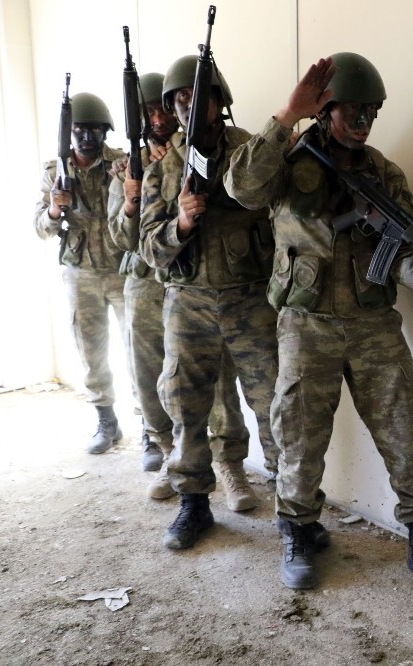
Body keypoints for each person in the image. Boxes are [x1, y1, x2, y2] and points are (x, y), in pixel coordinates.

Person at [226, 53, 413, 598]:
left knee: (405, 431)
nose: (363, 122)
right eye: (352, 111)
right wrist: (286, 116)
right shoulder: (287, 159)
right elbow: (240, 187)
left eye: (371, 112)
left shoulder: (384, 174)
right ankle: (298, 535)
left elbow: (404, 257)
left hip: (372, 326)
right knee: (298, 436)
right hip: (305, 324)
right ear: (326, 108)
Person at [139, 56, 281, 549]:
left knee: (274, 403)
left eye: (199, 96)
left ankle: (294, 511)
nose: (188, 106)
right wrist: (179, 224)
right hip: (189, 301)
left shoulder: (250, 152)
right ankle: (194, 504)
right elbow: (148, 248)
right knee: (185, 404)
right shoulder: (163, 168)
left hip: (250, 298)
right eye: (179, 99)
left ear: (220, 102)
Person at [108, 71, 258, 511]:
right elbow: (125, 238)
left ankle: (228, 462)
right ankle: (170, 454)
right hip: (151, 282)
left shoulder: (218, 151)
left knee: (221, 379)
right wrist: (132, 199)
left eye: (165, 108)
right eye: (151, 111)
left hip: (207, 283)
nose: (160, 118)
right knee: (160, 378)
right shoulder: (134, 165)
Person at [35, 91, 129, 454]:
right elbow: (39, 228)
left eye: (94, 130)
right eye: (79, 130)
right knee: (91, 351)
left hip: (123, 268)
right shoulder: (54, 172)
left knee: (140, 351)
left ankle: (152, 428)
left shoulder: (121, 163)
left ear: (105, 131)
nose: (87, 137)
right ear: (69, 132)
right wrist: (54, 210)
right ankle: (106, 420)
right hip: (81, 273)